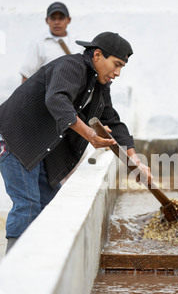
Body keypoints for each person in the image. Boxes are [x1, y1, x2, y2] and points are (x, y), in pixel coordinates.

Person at [0, 31, 151, 253]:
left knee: (50, 205)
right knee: (28, 205)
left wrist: (135, 163)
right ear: (97, 55)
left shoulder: (99, 85)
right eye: (116, 64)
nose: (118, 73)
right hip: (16, 140)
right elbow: (57, 99)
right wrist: (89, 134)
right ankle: (14, 271)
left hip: (39, 149)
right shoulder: (72, 66)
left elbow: (113, 123)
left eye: (122, 68)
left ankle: (40, 263)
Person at [20, 1, 84, 83]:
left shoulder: (78, 43)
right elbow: (27, 75)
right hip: (46, 93)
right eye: (53, 18)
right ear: (47, 20)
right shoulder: (39, 43)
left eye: (61, 18)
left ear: (68, 20)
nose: (56, 22)